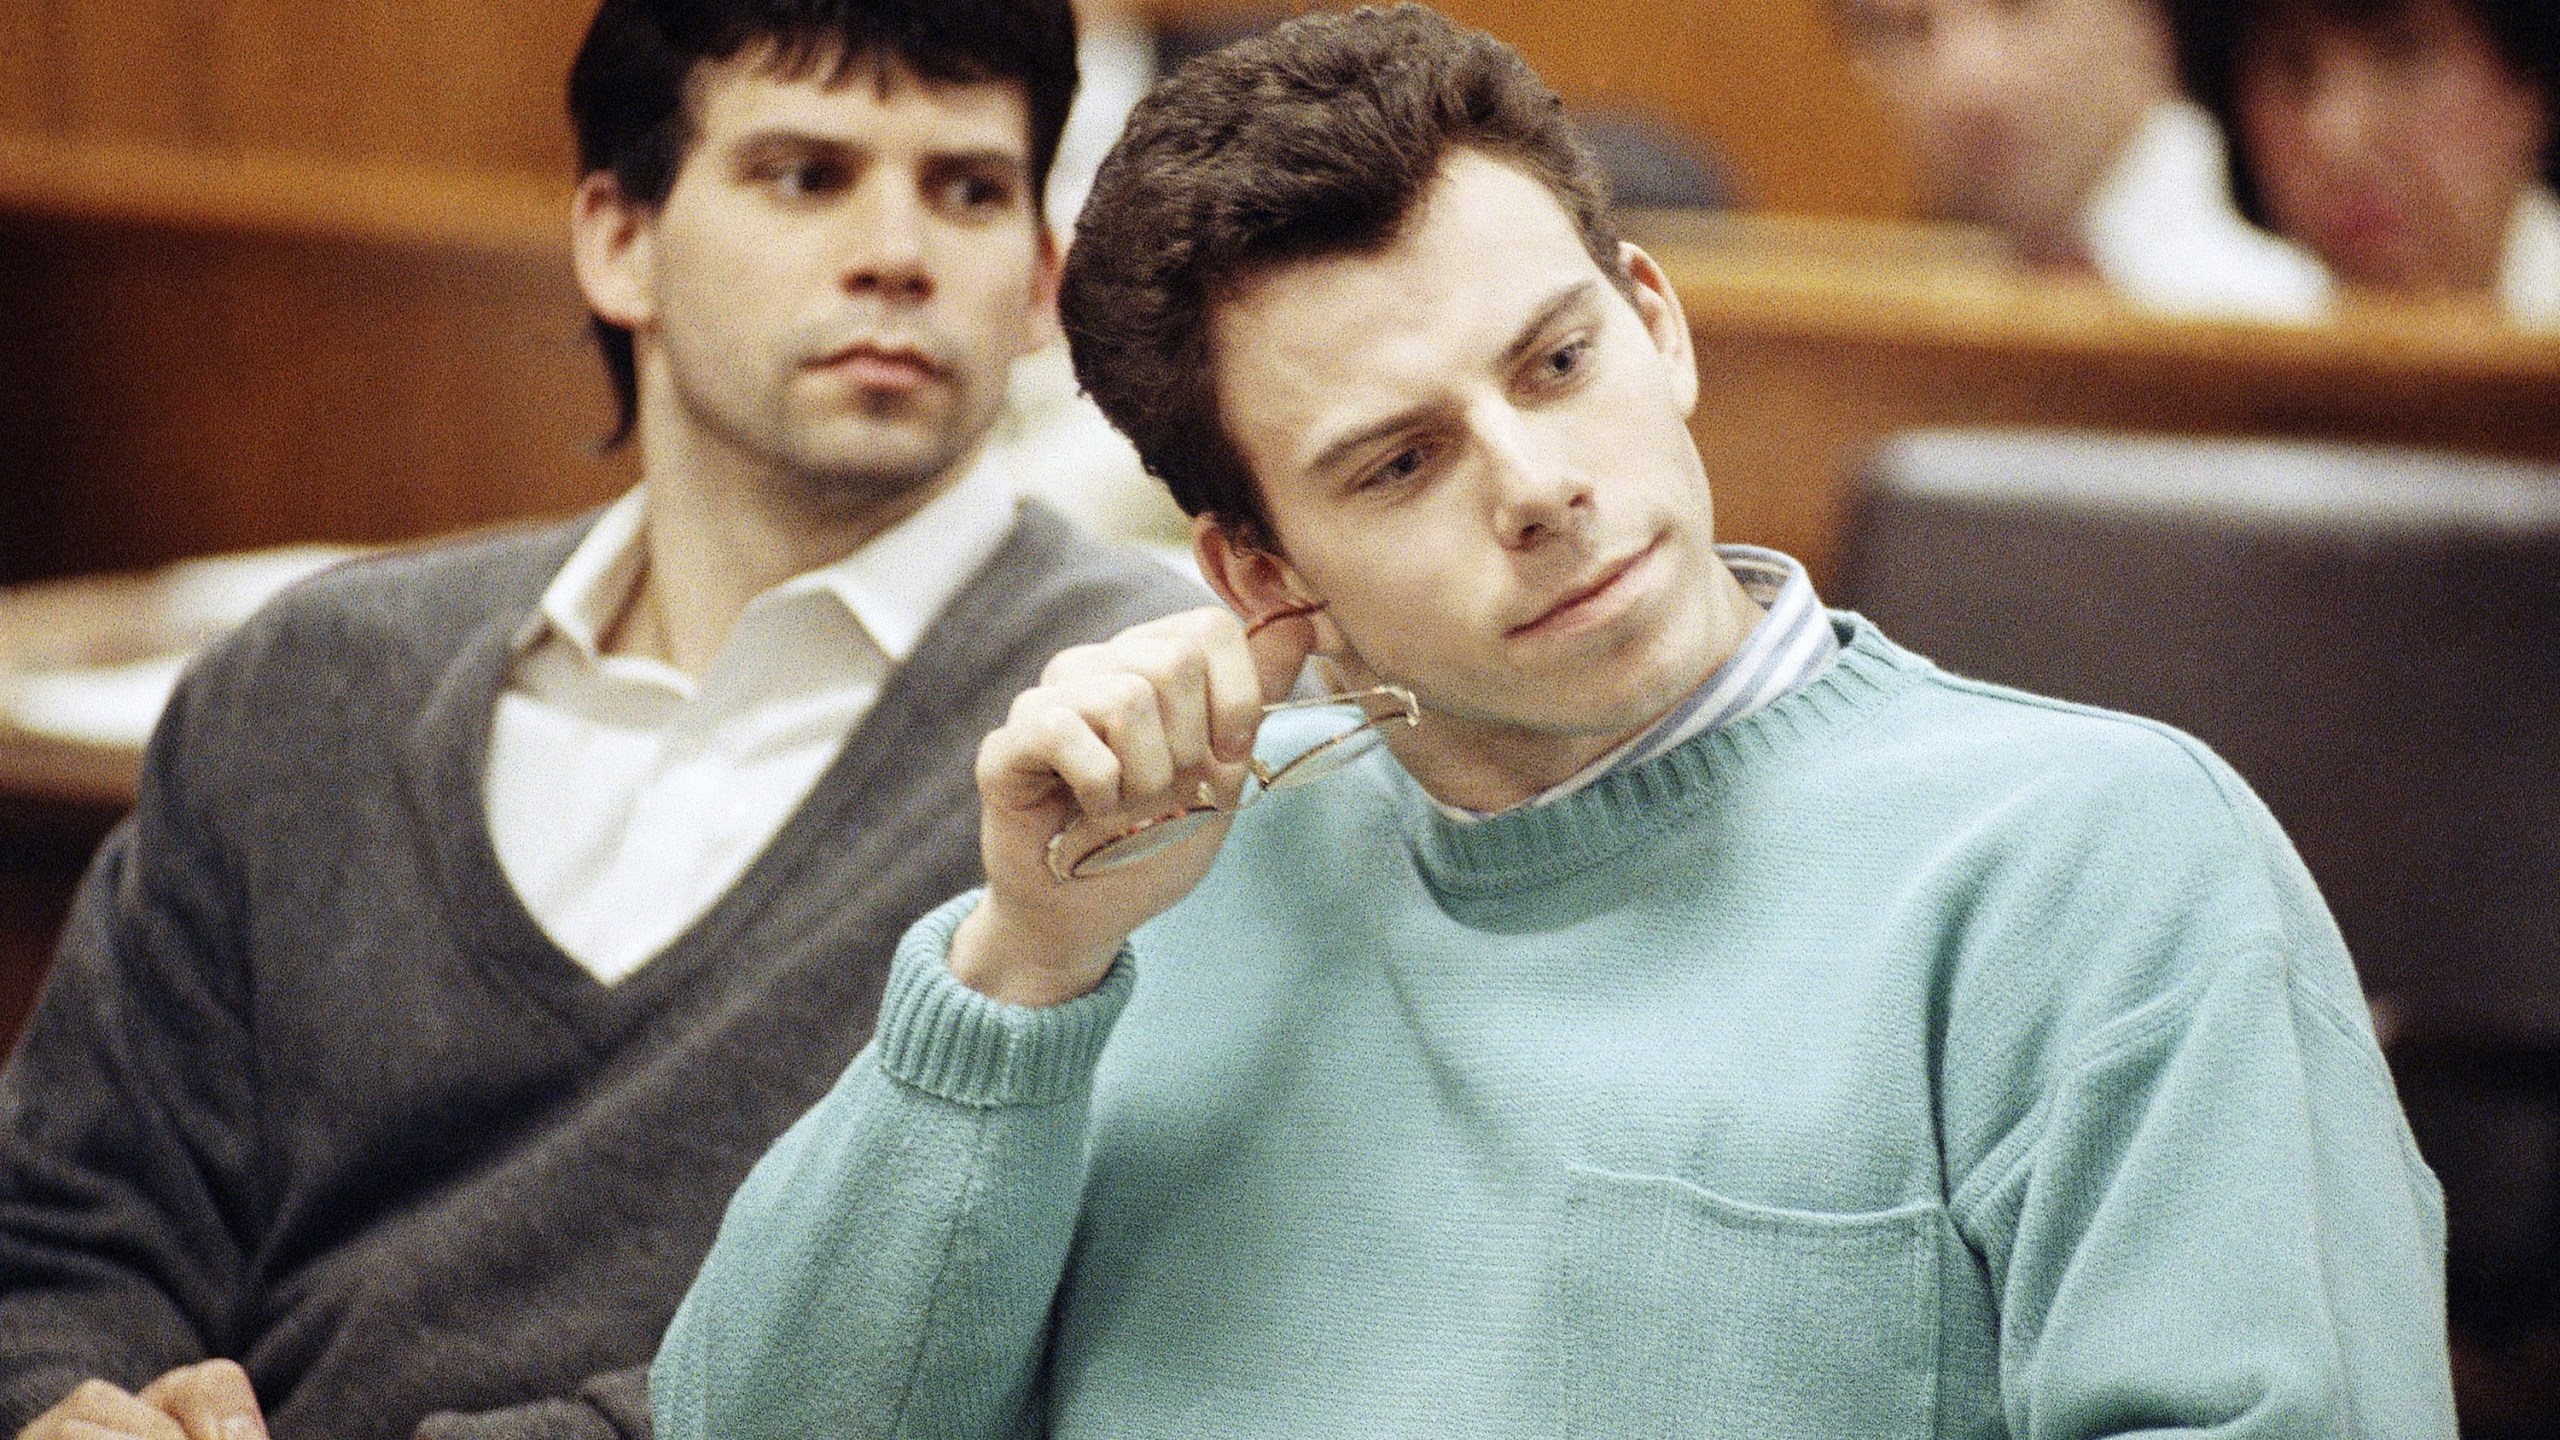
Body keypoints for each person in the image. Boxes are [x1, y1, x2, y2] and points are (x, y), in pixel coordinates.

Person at [653, 6, 2455, 1435]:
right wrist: (1021, 977)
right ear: (1260, 568)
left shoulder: (2097, 859)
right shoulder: (1142, 876)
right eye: (1400, 460)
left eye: (1556, 364)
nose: (1534, 488)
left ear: (1654, 323)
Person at [0, 1, 1201, 1438]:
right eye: (806, 176)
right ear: (616, 239)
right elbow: (68, 1223)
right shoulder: (304, 682)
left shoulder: (1142, 725)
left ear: (1038, 285)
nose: (898, 253)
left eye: (970, 189)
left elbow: (1042, 1332)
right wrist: (77, 1406)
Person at [1833, 0, 2334, 319]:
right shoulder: (1887, 314)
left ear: (2147, 16)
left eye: (2018, 9)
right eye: (1905, 30)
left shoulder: (2288, 289)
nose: (1971, 83)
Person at [2170, 0, 2559, 329]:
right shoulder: (2207, 358)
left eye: (2404, 54)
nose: (2338, 135)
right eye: (2292, 67)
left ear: (2530, 83)